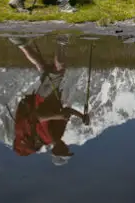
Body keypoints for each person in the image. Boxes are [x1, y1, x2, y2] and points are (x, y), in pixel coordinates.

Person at [10, 35, 91, 164]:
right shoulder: (56, 136)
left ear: (57, 151)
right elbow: (67, 112)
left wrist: (58, 116)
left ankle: (61, 41)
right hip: (45, 97)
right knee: (42, 67)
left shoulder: (50, 137)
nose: (67, 147)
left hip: (44, 98)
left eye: (64, 151)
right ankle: (20, 43)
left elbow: (40, 116)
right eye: (67, 150)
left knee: (59, 70)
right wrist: (81, 116)